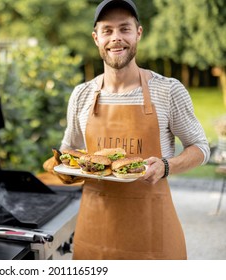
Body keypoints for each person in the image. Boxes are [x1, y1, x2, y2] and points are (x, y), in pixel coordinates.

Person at [43, 0, 210, 260]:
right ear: (96, 37)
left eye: (125, 29)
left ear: (138, 33)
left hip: (153, 233)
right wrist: (64, 169)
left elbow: (200, 147)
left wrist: (166, 167)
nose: (116, 38)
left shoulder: (168, 90)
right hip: (95, 232)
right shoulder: (82, 95)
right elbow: (68, 150)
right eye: (107, 30)